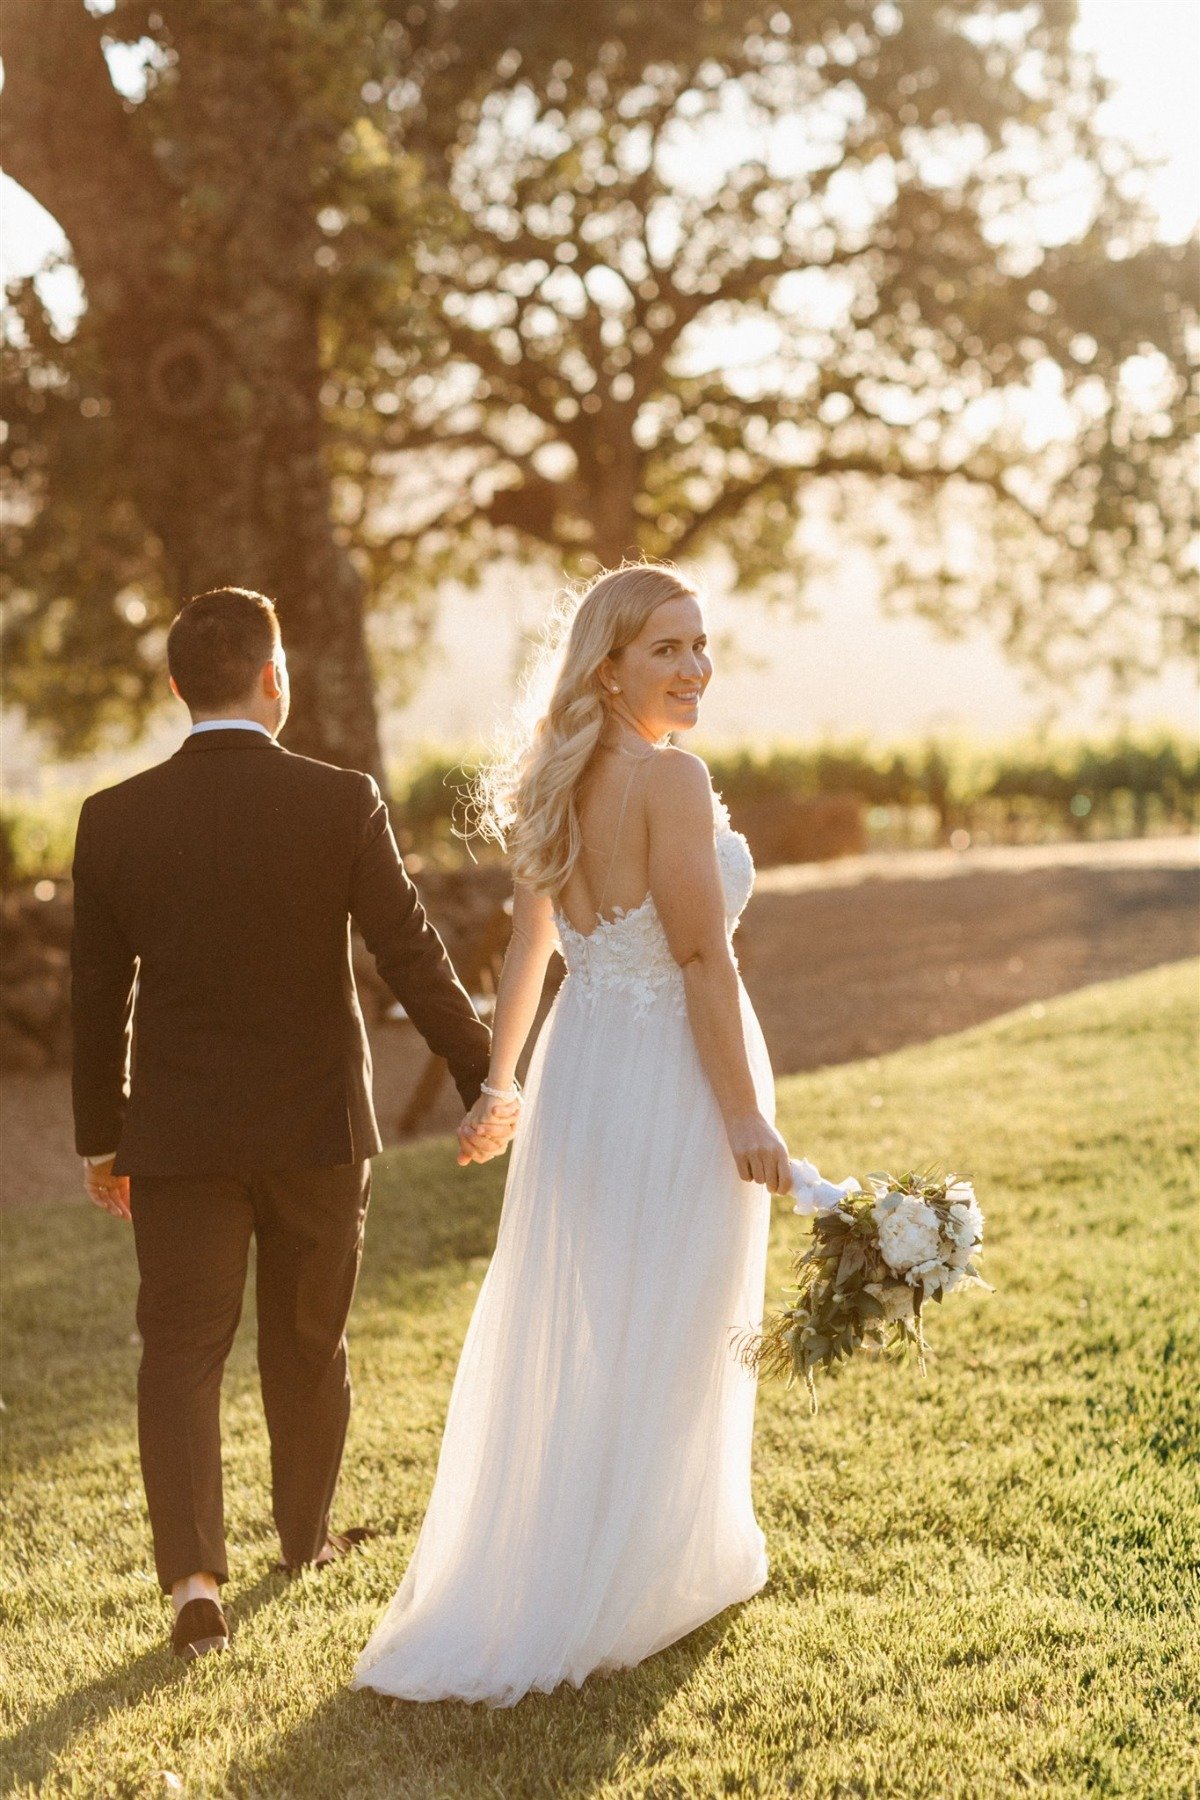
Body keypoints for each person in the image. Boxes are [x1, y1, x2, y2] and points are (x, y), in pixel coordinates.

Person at [353, 561, 792, 1707]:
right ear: (610, 665)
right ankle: (644, 1574)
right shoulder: (671, 780)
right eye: (668, 649)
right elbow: (703, 957)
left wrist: (502, 1084)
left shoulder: (560, 779)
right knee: (682, 1318)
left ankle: (609, 1553)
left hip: (583, 1073)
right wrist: (745, 1112)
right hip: (668, 1076)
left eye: (701, 646)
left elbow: (531, 953)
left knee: (609, 1316)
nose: (695, 668)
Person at [70, 587, 515, 1663]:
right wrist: (482, 1079)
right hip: (319, 1127)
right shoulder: (339, 799)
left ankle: (191, 1582)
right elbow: (409, 953)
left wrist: (101, 1136)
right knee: (309, 1340)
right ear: (275, 680)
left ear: (178, 689)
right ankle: (304, 1542)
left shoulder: (114, 817)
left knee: (180, 1349)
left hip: (175, 1137)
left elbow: (97, 997)